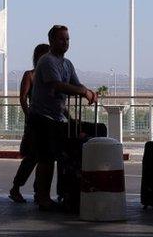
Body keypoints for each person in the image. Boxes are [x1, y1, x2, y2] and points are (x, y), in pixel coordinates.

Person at [29, 25, 97, 211]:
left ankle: (59, 193)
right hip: (42, 117)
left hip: (57, 117)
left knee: (58, 156)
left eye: (67, 39)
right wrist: (83, 92)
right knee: (46, 158)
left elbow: (75, 83)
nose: (65, 43)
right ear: (51, 41)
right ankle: (42, 197)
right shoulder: (47, 61)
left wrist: (88, 91)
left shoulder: (67, 64)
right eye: (61, 39)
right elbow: (57, 85)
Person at [8, 43, 50, 203]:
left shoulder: (50, 76)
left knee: (43, 158)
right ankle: (16, 187)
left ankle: (38, 191)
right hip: (35, 121)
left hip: (47, 122)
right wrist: (29, 116)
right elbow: (23, 98)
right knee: (32, 156)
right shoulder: (30, 75)